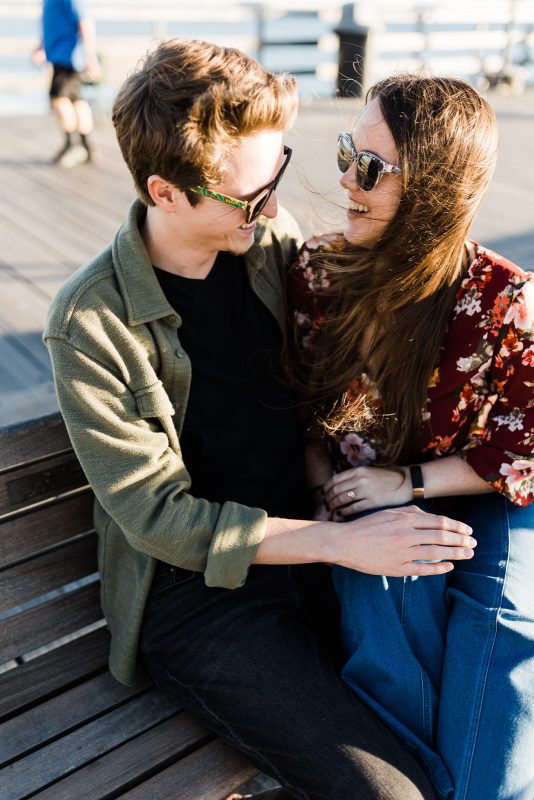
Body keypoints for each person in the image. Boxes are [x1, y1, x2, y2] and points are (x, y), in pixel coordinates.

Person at [44, 42, 476, 800]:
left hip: (315, 543)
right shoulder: (93, 322)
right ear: (165, 192)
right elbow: (158, 519)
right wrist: (340, 544)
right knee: (393, 793)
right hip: (204, 603)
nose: (276, 207)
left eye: (277, 171)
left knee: (471, 721)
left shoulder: (268, 248)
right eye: (250, 196)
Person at [290, 75, 534, 800]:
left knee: (502, 625)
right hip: (366, 492)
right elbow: (298, 411)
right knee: (385, 605)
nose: (345, 179)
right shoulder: (316, 271)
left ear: (433, 190)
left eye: (369, 167)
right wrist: (322, 494)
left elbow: (523, 447)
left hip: (481, 488)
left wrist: (414, 483)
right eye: (345, 152)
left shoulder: (503, 299)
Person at [33, 0, 100, 167]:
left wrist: (90, 57)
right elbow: (51, 23)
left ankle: (72, 145)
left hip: (69, 57)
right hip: (58, 55)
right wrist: (42, 46)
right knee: (76, 100)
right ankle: (86, 146)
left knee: (58, 98)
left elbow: (85, 23)